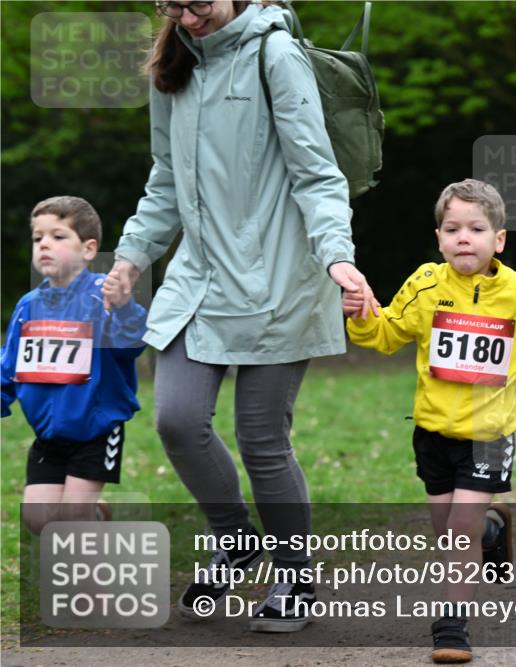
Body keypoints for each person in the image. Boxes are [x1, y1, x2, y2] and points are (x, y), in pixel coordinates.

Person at [106, 0, 378, 632]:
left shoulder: (274, 54)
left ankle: (295, 577)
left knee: (262, 440)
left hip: (280, 280)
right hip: (197, 283)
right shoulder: (173, 65)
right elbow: (165, 180)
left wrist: (337, 257)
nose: (185, 16)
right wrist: (131, 256)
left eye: (196, 3)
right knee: (176, 420)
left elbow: (317, 175)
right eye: (169, 5)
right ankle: (235, 539)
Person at [344, 179, 516, 663]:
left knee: (458, 528)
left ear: (499, 239)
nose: (463, 238)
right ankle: (492, 532)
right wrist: (362, 316)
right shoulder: (426, 285)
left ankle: (452, 628)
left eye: (476, 228)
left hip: (490, 436)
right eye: (452, 229)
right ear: (439, 238)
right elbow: (387, 333)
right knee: (448, 527)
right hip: (433, 432)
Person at [1, 196, 146, 534]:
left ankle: (91, 588)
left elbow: (131, 345)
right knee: (39, 519)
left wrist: (124, 308)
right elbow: (10, 366)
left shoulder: (106, 296)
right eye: (38, 238)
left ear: (89, 249)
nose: (45, 245)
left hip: (95, 430)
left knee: (73, 519)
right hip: (49, 435)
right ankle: (96, 515)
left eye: (58, 236)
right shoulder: (28, 305)